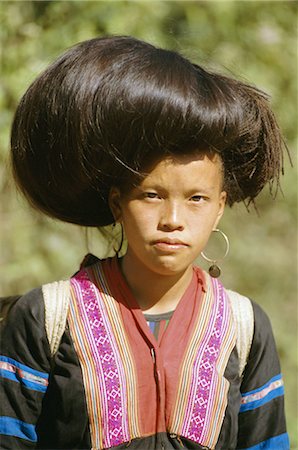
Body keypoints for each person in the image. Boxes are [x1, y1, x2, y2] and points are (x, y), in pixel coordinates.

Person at [0, 36, 289, 450]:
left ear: (220, 207)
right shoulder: (46, 318)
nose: (173, 220)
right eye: (151, 195)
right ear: (118, 203)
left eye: (196, 199)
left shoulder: (244, 327)